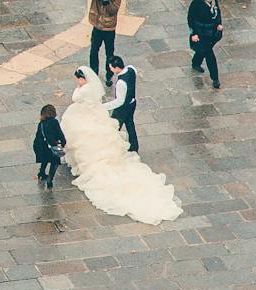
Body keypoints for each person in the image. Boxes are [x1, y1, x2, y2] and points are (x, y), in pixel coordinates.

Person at [58, 66, 182, 223]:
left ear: (82, 78)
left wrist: (78, 87)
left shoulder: (83, 90)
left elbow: (76, 97)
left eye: (78, 79)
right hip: (93, 113)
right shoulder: (94, 87)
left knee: (80, 135)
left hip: (84, 114)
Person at [187, 0, 223, 88]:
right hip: (201, 33)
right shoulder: (196, 3)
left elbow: (217, 12)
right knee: (210, 55)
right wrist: (193, 33)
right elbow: (190, 18)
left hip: (212, 32)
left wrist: (219, 24)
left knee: (203, 50)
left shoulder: (213, 0)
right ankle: (215, 78)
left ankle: (196, 62)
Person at [82, 0, 120, 73]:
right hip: (97, 26)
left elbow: (113, 10)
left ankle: (109, 73)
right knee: (93, 51)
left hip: (108, 28)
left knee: (109, 53)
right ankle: (94, 72)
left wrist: (104, 0)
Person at [104, 55, 139, 152]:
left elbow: (119, 101)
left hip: (123, 108)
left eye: (111, 67)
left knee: (113, 127)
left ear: (116, 68)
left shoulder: (121, 83)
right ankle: (134, 146)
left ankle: (111, 149)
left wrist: (104, 106)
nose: (110, 69)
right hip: (132, 103)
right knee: (130, 125)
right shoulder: (131, 69)